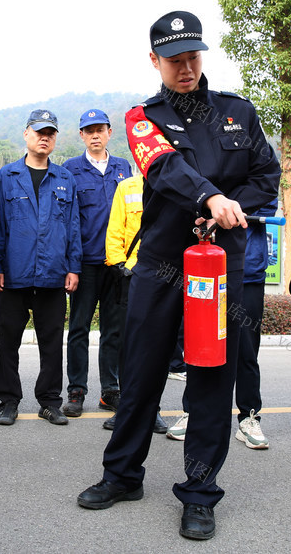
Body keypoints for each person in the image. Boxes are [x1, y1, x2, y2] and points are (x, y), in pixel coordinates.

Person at [77, 10, 280, 541]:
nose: (185, 68)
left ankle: (199, 493)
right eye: (174, 60)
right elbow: (163, 167)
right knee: (140, 372)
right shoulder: (142, 117)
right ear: (155, 62)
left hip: (218, 270)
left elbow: (266, 176)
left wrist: (228, 207)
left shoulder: (238, 113)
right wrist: (209, 196)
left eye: (192, 57)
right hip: (161, 266)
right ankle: (122, 475)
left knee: (212, 378)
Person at [0, 109, 81, 427]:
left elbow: (73, 227)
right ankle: (9, 402)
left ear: (55, 138)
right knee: (8, 341)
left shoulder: (65, 179)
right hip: (14, 273)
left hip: (53, 274)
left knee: (52, 342)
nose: (45, 137)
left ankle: (49, 402)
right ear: (26, 134)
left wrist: (74, 268)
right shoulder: (7, 176)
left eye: (50, 133)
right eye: (39, 131)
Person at [62, 109, 131, 418]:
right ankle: (76, 390)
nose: (94, 135)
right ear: (81, 135)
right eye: (88, 130)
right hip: (86, 263)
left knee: (114, 330)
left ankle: (110, 391)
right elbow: (68, 221)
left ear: (109, 132)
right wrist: (71, 266)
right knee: (78, 328)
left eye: (99, 129)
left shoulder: (123, 168)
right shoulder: (70, 170)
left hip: (118, 264)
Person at [101, 174, 168, 436]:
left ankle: (153, 409)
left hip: (164, 275)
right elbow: (115, 228)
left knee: (157, 345)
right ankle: (127, 408)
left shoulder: (176, 185)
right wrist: (120, 266)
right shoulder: (127, 187)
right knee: (128, 344)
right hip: (132, 275)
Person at [232, 199, 278, 450]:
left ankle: (248, 417)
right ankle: (192, 412)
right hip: (208, 266)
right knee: (203, 347)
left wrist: (226, 205)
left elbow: (267, 203)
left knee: (247, 350)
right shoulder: (201, 160)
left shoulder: (259, 160)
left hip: (248, 271)